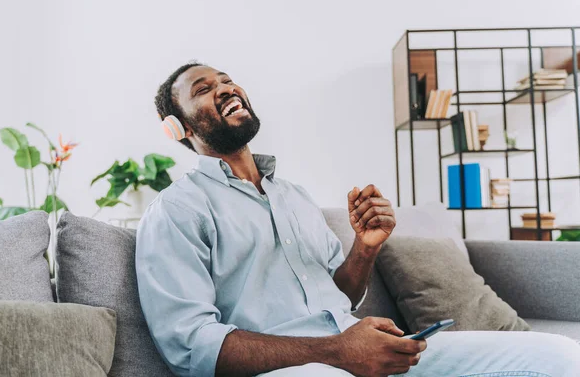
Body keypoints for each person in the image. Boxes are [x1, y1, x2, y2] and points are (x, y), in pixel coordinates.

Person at [136, 62, 580, 377]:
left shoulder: (294, 197)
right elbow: (191, 346)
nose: (226, 88)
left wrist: (365, 247)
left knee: (561, 358)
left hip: (364, 352)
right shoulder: (177, 210)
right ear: (180, 128)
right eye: (203, 89)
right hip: (292, 369)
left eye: (228, 80)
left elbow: (340, 297)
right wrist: (337, 352)